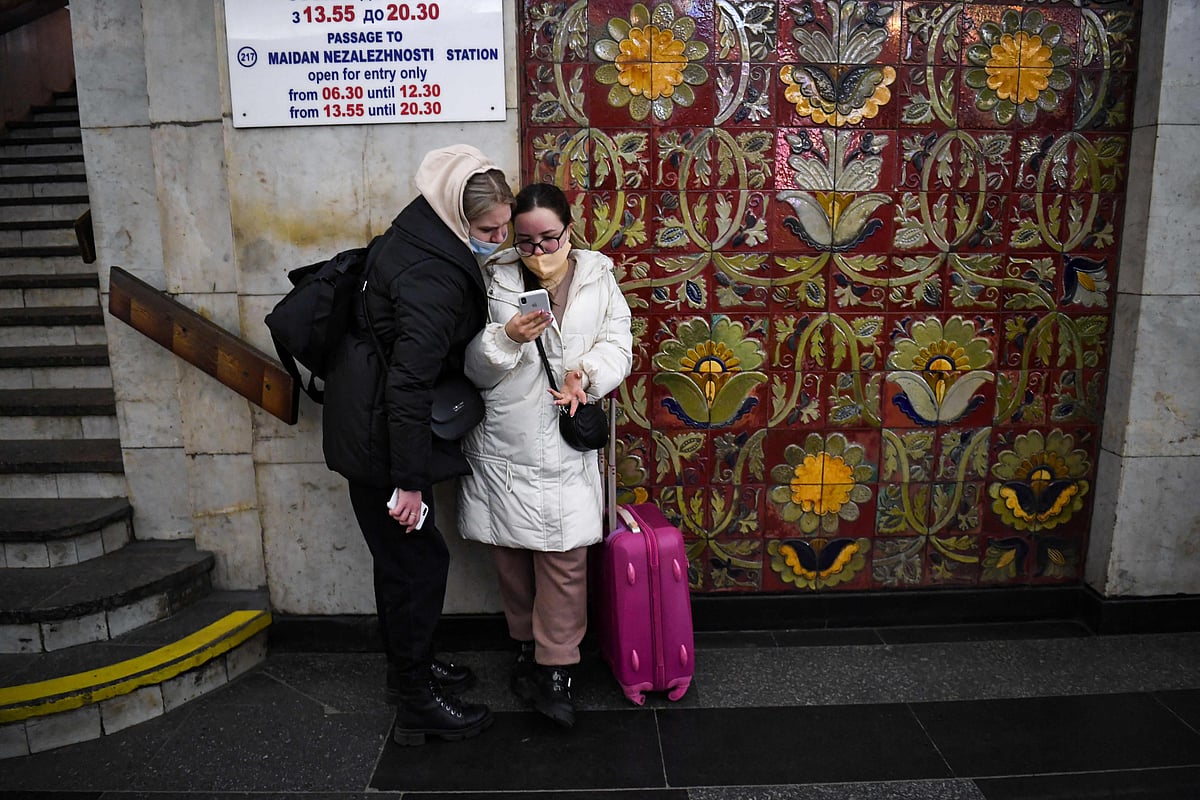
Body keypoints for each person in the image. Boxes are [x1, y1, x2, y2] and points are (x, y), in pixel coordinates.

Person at [321, 145, 514, 746]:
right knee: (416, 566)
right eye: (488, 230)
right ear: (459, 217)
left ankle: (414, 667)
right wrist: (408, 481)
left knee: (405, 562)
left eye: (504, 225)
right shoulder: (433, 273)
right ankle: (414, 699)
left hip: (370, 421)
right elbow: (409, 382)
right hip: (386, 435)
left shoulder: (419, 226)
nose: (498, 237)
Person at [457, 182, 633, 728]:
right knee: (511, 557)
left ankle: (558, 667)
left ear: (569, 230)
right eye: (525, 241)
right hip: (506, 441)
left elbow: (619, 342)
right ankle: (525, 650)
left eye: (548, 239)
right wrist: (505, 337)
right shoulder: (493, 280)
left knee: (564, 558)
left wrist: (588, 375)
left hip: (563, 441)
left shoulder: (599, 277)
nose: (537, 252)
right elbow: (470, 367)